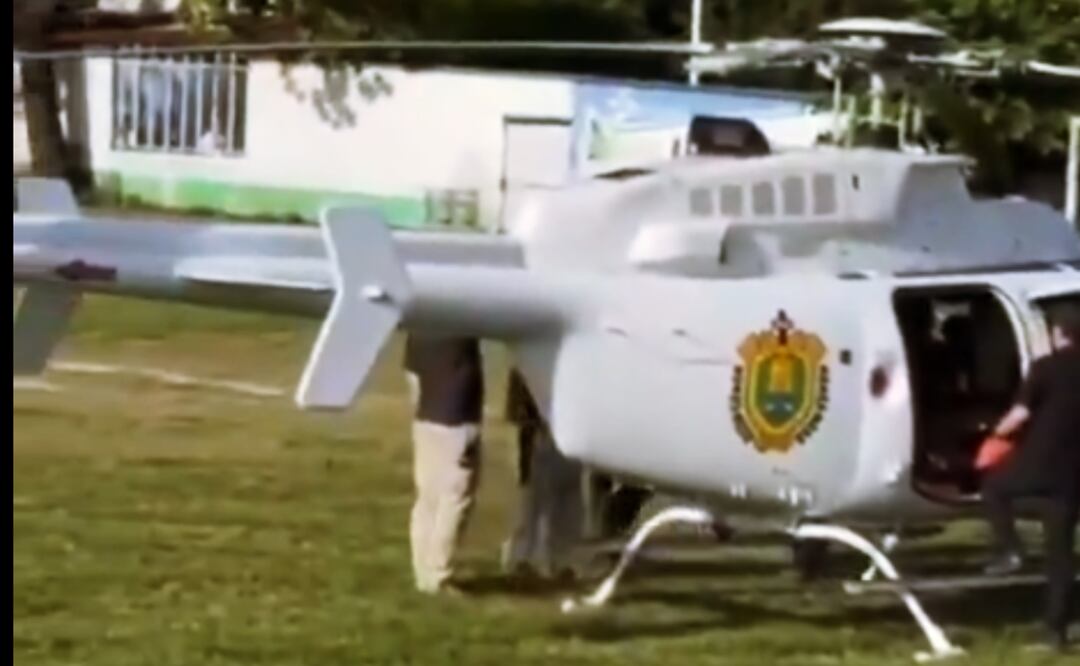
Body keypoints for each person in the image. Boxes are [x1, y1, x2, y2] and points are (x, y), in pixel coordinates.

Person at [981, 308, 1080, 651]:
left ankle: (1009, 548)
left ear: (1058, 334)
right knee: (1060, 556)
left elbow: (1020, 414)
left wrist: (995, 431)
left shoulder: (1045, 368)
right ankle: (1055, 633)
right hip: (1072, 475)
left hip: (1039, 465)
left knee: (994, 489)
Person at [404, 334, 484, 595]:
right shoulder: (463, 325)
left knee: (427, 498)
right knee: (455, 499)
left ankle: (423, 572)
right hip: (458, 420)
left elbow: (412, 377)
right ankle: (439, 574)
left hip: (426, 418)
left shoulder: (419, 328)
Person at [501, 368, 587, 580]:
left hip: (572, 422)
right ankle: (524, 557)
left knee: (569, 495)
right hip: (541, 425)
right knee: (537, 496)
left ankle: (560, 559)